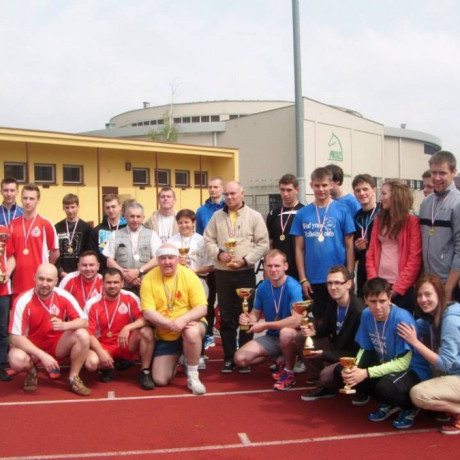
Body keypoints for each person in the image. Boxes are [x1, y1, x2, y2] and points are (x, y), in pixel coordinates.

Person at [338, 277, 430, 429]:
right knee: (343, 372)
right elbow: (365, 349)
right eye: (373, 301)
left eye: (382, 301)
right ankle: (390, 402)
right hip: (387, 364)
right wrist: (354, 369)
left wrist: (366, 373)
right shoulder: (366, 314)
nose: (378, 307)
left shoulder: (402, 318)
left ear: (389, 299)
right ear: (365, 300)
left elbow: (403, 363)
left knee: (384, 388)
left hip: (413, 369)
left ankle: (410, 406)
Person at [204, 180, 270, 373]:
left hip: (245, 272)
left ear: (242, 194)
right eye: (227, 194)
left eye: (233, 193)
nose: (229, 197)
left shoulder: (254, 216)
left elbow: (263, 244)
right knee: (226, 316)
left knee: (246, 315)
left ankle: (245, 355)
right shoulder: (216, 216)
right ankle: (228, 357)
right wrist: (219, 254)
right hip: (223, 273)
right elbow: (207, 241)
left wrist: (246, 260)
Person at [8, 263, 91, 395]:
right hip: (32, 348)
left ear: (56, 281)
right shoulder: (23, 300)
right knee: (16, 359)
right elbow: (16, 337)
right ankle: (32, 371)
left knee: (83, 335)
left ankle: (73, 378)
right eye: (41, 279)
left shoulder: (64, 296)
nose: (44, 284)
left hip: (57, 345)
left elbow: (84, 321)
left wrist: (65, 325)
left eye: (49, 280)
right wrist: (42, 355)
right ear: (35, 278)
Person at [140, 244, 208, 395]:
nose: (167, 262)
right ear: (157, 260)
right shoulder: (149, 278)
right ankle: (182, 355)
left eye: (171, 258)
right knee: (160, 380)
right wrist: (169, 324)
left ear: (178, 259)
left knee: (191, 332)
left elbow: (202, 308)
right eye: (163, 258)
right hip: (166, 331)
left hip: (188, 325)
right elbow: (148, 312)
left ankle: (193, 376)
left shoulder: (189, 275)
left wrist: (182, 321)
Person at [398, 273, 460, 435]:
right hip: (454, 373)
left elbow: (445, 363)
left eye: (428, 294)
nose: (423, 299)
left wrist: (416, 343)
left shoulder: (450, 319)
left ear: (440, 294)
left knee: (418, 395)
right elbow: (412, 326)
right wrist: (391, 312)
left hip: (456, 374)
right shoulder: (433, 317)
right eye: (419, 295)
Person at [290, 167, 355, 321]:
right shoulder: (302, 213)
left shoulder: (343, 210)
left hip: (339, 278)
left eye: (324, 185)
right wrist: (303, 279)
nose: (321, 189)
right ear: (311, 185)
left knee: (341, 320)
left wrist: (350, 275)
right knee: (320, 321)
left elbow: (349, 245)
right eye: (317, 185)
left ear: (331, 185)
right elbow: (299, 248)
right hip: (314, 278)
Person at [233, 250, 303, 390]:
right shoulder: (263, 287)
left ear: (285, 266)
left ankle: (289, 373)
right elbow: (255, 314)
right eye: (269, 266)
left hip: (292, 336)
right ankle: (280, 358)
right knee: (240, 359)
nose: (273, 269)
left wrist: (265, 325)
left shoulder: (293, 286)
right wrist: (247, 319)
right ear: (264, 266)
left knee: (286, 333)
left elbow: (297, 320)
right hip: (273, 337)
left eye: (277, 266)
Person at [300, 266, 364, 401]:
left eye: (337, 283)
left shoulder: (359, 311)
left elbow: (357, 353)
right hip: (338, 348)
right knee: (301, 338)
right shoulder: (334, 302)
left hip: (354, 357)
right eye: (329, 283)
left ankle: (359, 389)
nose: (333, 287)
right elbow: (325, 329)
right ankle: (321, 384)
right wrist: (314, 331)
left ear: (348, 284)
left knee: (326, 375)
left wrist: (325, 354)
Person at [85, 268, 155, 390]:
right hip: (104, 345)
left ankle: (145, 372)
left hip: (125, 342)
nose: (112, 286)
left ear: (122, 283)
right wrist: (101, 352)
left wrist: (128, 327)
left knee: (147, 332)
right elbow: (88, 333)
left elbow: (145, 320)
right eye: (108, 282)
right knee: (91, 363)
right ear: (102, 284)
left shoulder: (130, 297)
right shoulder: (92, 303)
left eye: (116, 282)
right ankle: (106, 367)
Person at [366, 180, 422, 312]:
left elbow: (414, 258)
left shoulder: (412, 221)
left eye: (384, 194)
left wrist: (398, 288)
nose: (381, 198)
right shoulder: (379, 220)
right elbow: (371, 253)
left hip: (402, 289)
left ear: (396, 196)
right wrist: (375, 283)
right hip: (380, 286)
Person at [419, 150, 460, 301]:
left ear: (453, 172)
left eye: (442, 173)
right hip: (428, 281)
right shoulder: (426, 202)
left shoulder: (457, 203)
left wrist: (449, 287)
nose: (437, 178)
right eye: (433, 172)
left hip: (448, 283)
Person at [9, 183, 59, 301]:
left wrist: (46, 270)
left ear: (38, 200)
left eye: (31, 198)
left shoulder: (46, 224)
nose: (27, 202)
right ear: (21, 199)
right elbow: (11, 255)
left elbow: (55, 252)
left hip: (40, 285)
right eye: (25, 198)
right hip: (19, 284)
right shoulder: (13, 224)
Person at [103, 201, 161, 295]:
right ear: (125, 217)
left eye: (138, 216)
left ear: (143, 218)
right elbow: (109, 261)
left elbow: (157, 259)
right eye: (132, 216)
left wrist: (139, 271)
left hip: (146, 285)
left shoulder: (152, 235)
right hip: (124, 286)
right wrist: (125, 274)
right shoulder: (115, 235)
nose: (135, 220)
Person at [195, 176, 225, 348]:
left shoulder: (229, 207)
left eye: (216, 187)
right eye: (210, 187)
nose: (213, 190)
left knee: (227, 300)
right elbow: (200, 237)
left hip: (227, 261)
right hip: (210, 261)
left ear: (222, 189)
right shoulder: (201, 211)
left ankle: (227, 332)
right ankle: (208, 334)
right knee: (208, 298)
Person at [266, 173, 304, 280]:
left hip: (298, 268)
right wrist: (266, 271)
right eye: (282, 190)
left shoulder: (304, 212)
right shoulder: (273, 214)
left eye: (289, 190)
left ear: (297, 190)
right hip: (278, 268)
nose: (285, 194)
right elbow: (270, 244)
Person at [352, 174, 379, 297]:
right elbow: (353, 251)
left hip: (380, 269)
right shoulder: (356, 217)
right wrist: (357, 248)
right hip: (363, 270)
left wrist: (368, 246)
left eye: (365, 189)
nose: (362, 193)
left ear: (374, 190)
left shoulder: (383, 213)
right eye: (358, 190)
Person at [55, 194, 92, 280]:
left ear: (78, 207)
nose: (70, 210)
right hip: (61, 273)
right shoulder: (57, 228)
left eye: (73, 207)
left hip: (80, 273)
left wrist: (79, 270)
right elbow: (54, 251)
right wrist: (60, 271)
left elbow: (88, 252)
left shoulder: (86, 228)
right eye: (67, 207)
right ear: (63, 208)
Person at [89, 193, 127, 273]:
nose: (111, 210)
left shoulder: (128, 228)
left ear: (120, 206)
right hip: (103, 273)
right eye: (107, 208)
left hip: (126, 273)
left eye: (113, 207)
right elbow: (93, 255)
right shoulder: (97, 230)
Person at [0, 225, 13, 381]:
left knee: (2, 331)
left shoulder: (5, 231)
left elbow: (11, 256)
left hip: (2, 289)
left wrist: (7, 273)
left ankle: (1, 365)